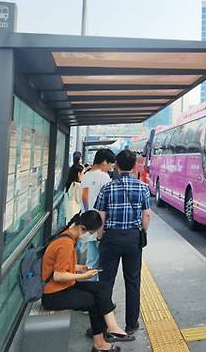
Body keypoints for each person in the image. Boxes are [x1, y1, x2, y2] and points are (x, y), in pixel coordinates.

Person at [41, 211, 132, 352]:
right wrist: (84, 276)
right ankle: (100, 343)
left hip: (64, 286)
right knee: (93, 301)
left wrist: (80, 268)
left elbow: (61, 266)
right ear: (82, 228)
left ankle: (111, 327)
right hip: (54, 294)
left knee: (102, 287)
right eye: (91, 233)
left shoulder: (68, 236)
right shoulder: (65, 243)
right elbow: (58, 275)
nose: (91, 236)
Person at [95, 150, 151, 335]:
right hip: (132, 238)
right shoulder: (142, 187)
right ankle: (131, 324)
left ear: (117, 165)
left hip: (111, 238)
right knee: (133, 281)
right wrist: (142, 230)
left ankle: (103, 325)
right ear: (135, 166)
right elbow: (147, 215)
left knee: (105, 282)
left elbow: (101, 216)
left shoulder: (107, 188)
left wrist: (100, 237)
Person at [80, 148, 116, 277]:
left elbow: (84, 198)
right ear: (104, 161)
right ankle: (98, 290)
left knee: (91, 260)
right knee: (103, 261)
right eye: (110, 164)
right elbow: (108, 203)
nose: (111, 168)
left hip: (88, 222)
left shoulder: (86, 175)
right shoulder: (104, 177)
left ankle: (91, 287)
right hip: (101, 224)